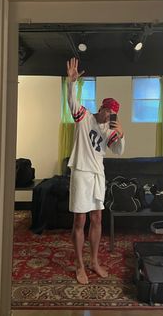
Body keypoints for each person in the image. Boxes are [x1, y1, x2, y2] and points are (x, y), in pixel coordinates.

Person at [66, 57, 125, 285]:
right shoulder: (84, 117)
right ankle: (80, 265)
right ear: (100, 107)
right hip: (81, 173)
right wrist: (72, 83)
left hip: (98, 176)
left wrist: (122, 134)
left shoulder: (108, 130)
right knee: (80, 220)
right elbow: (72, 102)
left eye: (112, 114)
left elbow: (118, 150)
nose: (107, 115)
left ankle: (94, 261)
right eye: (106, 111)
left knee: (97, 218)